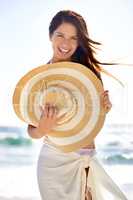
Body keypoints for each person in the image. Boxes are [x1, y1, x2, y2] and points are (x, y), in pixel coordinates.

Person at [27, 10, 127, 200]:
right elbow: (30, 130)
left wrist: (104, 108)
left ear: (80, 41)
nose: (66, 44)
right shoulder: (40, 79)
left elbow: (92, 120)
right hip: (53, 164)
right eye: (60, 35)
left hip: (84, 159)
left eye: (73, 38)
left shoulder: (87, 75)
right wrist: (41, 129)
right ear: (50, 36)